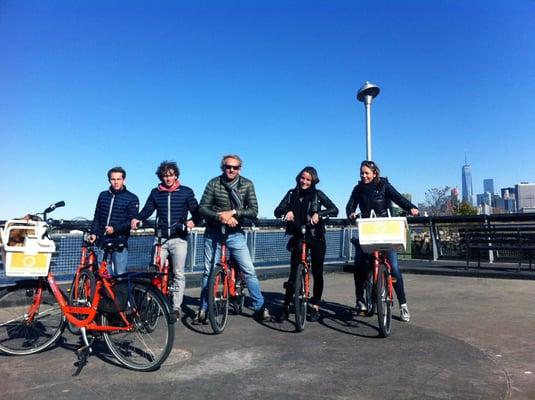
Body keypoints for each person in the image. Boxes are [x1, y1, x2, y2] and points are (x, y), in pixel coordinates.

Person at [194, 154, 271, 324]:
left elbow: (253, 210)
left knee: (249, 271)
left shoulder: (247, 184)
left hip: (235, 234)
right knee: (209, 272)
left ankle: (260, 307)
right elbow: (202, 208)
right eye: (228, 166)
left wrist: (234, 212)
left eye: (235, 167)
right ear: (223, 167)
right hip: (214, 232)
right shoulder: (214, 183)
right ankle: (204, 309)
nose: (231, 170)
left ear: (239, 169)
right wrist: (221, 217)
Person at [346, 160, 419, 322]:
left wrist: (412, 208)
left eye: (367, 173)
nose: (364, 176)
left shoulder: (384, 185)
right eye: (362, 173)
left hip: (386, 229)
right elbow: (350, 205)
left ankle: (403, 304)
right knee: (359, 264)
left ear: (374, 173)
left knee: (393, 267)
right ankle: (361, 299)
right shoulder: (358, 189)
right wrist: (351, 213)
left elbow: (399, 198)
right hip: (368, 230)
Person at [131, 161, 200, 320]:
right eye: (165, 176)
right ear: (161, 177)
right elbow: (147, 210)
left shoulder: (186, 192)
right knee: (154, 271)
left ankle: (175, 307)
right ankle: (153, 303)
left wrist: (193, 221)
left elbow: (197, 211)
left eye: (170, 175)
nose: (168, 178)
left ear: (176, 175)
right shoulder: (156, 193)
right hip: (160, 239)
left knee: (178, 274)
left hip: (179, 239)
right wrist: (137, 219)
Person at [274, 166, 338, 322]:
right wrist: (286, 212)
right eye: (303, 178)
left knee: (317, 271)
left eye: (308, 179)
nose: (305, 181)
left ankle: (315, 305)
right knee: (293, 273)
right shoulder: (291, 194)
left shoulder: (317, 194)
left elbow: (334, 209)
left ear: (313, 181)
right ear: (298, 178)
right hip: (298, 235)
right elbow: (277, 210)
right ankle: (286, 306)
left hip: (316, 236)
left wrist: (319, 214)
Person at [89, 166, 139, 276]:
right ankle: (107, 293)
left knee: (120, 274)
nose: (116, 182)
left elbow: (131, 221)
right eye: (113, 179)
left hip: (120, 241)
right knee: (104, 273)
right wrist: (93, 232)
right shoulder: (103, 195)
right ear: (109, 180)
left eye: (118, 179)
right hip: (103, 240)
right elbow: (97, 216)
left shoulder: (132, 198)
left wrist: (114, 229)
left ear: (124, 180)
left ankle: (119, 293)